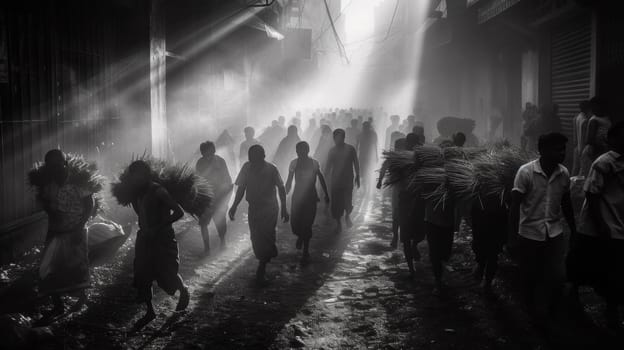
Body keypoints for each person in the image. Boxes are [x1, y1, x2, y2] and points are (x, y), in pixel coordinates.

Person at [510, 133, 576, 326]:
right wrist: (512, 238)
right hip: (529, 233)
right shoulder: (526, 172)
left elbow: (566, 202)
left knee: (557, 275)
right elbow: (515, 207)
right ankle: (530, 310)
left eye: (563, 149)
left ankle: (550, 312)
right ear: (543, 151)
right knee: (530, 274)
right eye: (557, 149)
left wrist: (573, 229)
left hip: (554, 233)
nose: (562, 153)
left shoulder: (563, 173)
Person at [568, 122, 624, 330]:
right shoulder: (604, 162)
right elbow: (591, 193)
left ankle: (611, 307)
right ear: (613, 140)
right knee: (581, 261)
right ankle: (572, 292)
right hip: (596, 225)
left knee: (615, 269)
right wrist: (601, 225)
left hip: (618, 223)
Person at [127, 160, 190, 328]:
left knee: (166, 272)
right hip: (145, 239)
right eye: (133, 176)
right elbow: (140, 213)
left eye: (138, 175)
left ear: (146, 175)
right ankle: (150, 310)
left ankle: (183, 291)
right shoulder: (136, 194)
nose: (136, 179)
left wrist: (158, 226)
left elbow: (179, 212)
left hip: (162, 238)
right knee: (142, 273)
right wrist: (146, 228)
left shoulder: (159, 191)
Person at [34, 150, 94, 325]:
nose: (55, 167)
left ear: (65, 163)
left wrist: (80, 226)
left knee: (75, 267)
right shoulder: (47, 185)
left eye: (58, 163)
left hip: (75, 229)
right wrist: (51, 212)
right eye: (51, 164)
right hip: (55, 230)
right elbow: (45, 204)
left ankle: (82, 297)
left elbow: (90, 204)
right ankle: (57, 304)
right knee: (48, 267)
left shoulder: (77, 181)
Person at [229, 145, 289, 284]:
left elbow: (281, 188)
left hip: (270, 208)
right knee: (255, 236)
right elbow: (241, 188)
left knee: (266, 234)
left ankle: (262, 266)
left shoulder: (271, 168)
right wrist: (234, 206)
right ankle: (266, 255)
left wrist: (284, 208)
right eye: (251, 157)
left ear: (263, 156)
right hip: (254, 208)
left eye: (256, 156)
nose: (253, 160)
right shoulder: (246, 167)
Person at [285, 142, 330, 264]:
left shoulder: (314, 163)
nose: (300, 152)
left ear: (308, 150)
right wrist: (285, 192)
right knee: (295, 224)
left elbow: (321, 178)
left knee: (307, 224)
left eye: (303, 150)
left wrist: (326, 193)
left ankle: (306, 250)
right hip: (297, 197)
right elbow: (289, 180)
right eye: (298, 150)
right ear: (296, 151)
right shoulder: (294, 163)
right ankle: (300, 236)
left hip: (310, 197)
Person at [196, 141, 233, 253]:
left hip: (219, 196)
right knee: (203, 223)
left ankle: (222, 242)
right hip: (205, 197)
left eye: (210, 151)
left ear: (213, 151)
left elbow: (227, 178)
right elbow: (198, 178)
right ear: (202, 153)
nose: (208, 154)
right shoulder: (200, 163)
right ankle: (207, 247)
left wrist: (226, 196)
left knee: (220, 221)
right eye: (205, 152)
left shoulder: (220, 161)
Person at [471, 196, 508, 296]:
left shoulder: (501, 196)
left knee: (492, 255)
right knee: (482, 250)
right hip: (482, 216)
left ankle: (487, 283)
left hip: (496, 219)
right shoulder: (478, 198)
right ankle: (481, 267)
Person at [325, 129, 360, 233]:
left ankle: (347, 216)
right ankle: (339, 224)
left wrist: (358, 175)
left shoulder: (350, 149)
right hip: (336, 180)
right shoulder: (332, 151)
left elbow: (356, 163)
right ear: (333, 138)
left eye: (339, 138)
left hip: (348, 179)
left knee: (347, 200)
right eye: (335, 138)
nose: (337, 140)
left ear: (344, 138)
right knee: (336, 203)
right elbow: (328, 166)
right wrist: (325, 177)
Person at [377, 136, 407, 248]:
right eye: (399, 147)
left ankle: (402, 237)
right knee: (396, 215)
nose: (400, 149)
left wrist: (380, 181)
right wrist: (379, 181)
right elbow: (383, 168)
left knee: (403, 215)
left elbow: (383, 169)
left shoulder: (409, 158)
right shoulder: (392, 159)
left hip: (407, 191)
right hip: (398, 190)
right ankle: (395, 236)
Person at [580, 97, 612, 177]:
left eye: (594, 106)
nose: (593, 109)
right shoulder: (594, 120)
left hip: (601, 150)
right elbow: (589, 140)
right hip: (593, 151)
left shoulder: (606, 117)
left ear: (601, 106)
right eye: (591, 107)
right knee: (587, 176)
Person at [356, 121, 378, 189]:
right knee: (363, 172)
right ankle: (366, 187)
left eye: (366, 127)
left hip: (368, 156)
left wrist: (376, 155)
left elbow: (375, 145)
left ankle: (367, 188)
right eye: (365, 127)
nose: (365, 128)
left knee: (368, 171)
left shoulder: (372, 134)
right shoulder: (360, 134)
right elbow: (357, 146)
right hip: (363, 155)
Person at [571, 101, 591, 176]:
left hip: (577, 147)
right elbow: (583, 137)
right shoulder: (585, 120)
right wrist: (582, 149)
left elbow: (575, 134)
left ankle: (571, 185)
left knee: (575, 168)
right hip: (582, 148)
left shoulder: (576, 117)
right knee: (583, 170)